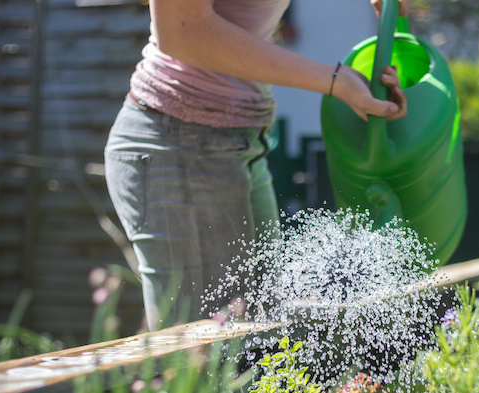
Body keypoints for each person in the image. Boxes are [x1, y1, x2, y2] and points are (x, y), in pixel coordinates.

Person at [104, 0, 411, 330]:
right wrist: (335, 80)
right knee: (209, 359)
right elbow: (182, 32)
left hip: (240, 141)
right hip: (179, 141)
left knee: (261, 335)